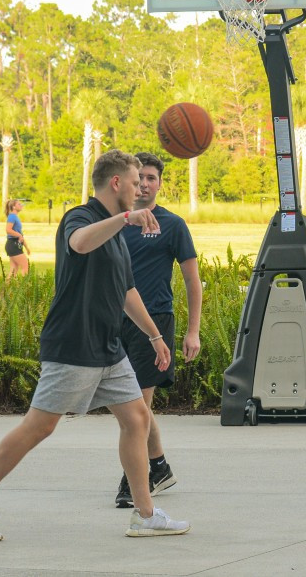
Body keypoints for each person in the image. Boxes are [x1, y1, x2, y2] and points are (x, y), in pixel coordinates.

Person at [0, 150, 190, 541]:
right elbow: (79, 244)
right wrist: (125, 218)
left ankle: (145, 514)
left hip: (109, 347)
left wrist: (155, 335)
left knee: (137, 419)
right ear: (116, 183)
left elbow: (127, 290)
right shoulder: (81, 217)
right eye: (134, 182)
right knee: (39, 427)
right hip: (74, 344)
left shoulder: (116, 234)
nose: (139, 190)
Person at [112, 151, 203, 508]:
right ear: (128, 181)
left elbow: (193, 282)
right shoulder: (115, 223)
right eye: (140, 178)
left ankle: (134, 481)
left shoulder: (173, 225)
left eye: (151, 178)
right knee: (132, 407)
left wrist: (192, 331)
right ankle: (159, 465)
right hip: (116, 322)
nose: (145, 184)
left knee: (137, 407)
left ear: (160, 183)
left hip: (156, 324)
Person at [3, 198, 29, 276]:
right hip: (13, 245)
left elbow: (20, 234)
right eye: (19, 204)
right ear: (13, 207)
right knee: (25, 266)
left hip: (13, 245)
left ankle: (7, 287)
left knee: (14, 269)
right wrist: (19, 235)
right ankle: (25, 286)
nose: (21, 205)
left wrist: (27, 248)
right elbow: (8, 230)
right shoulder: (12, 217)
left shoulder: (14, 217)